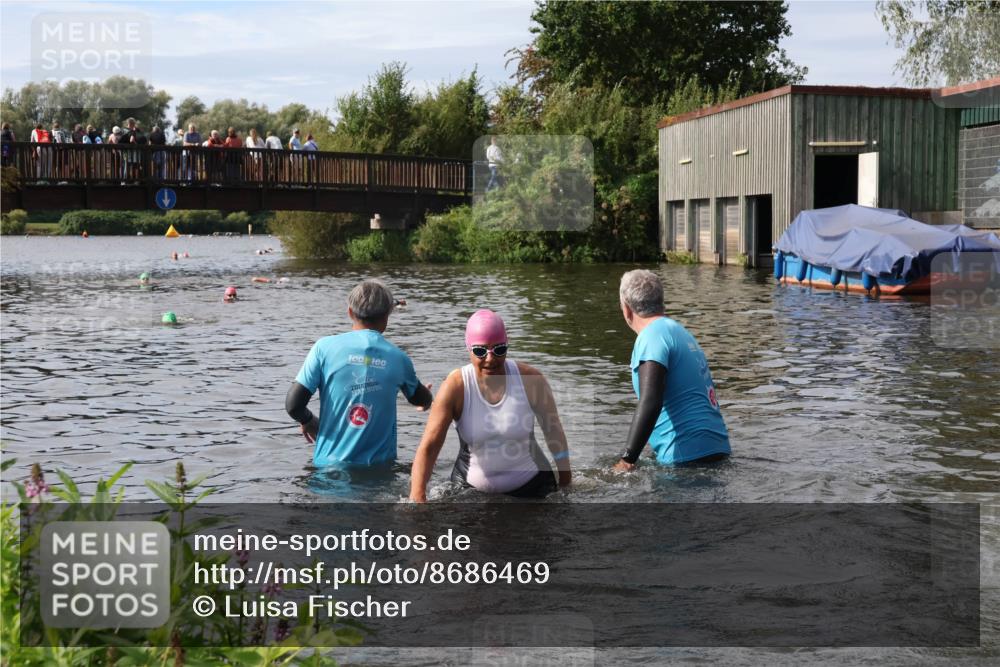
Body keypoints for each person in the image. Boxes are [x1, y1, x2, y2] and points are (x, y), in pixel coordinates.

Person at [409, 309, 571, 502]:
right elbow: (429, 447)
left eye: (499, 350)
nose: (490, 359)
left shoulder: (531, 380)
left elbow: (554, 432)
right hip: (470, 489)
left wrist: (566, 483)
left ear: (507, 346)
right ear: (468, 349)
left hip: (532, 485)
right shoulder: (455, 387)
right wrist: (417, 497)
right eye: (480, 351)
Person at [285, 279, 433, 468]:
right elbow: (419, 399)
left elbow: (293, 405)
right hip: (380, 471)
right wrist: (428, 398)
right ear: (387, 315)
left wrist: (309, 420)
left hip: (328, 469)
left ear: (350, 312)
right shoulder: (398, 358)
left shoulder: (323, 348)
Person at [614, 270, 731, 471]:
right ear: (662, 302)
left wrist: (627, 459)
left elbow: (650, 400)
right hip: (717, 448)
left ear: (626, 308)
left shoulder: (651, 336)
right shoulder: (680, 332)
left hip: (684, 457)